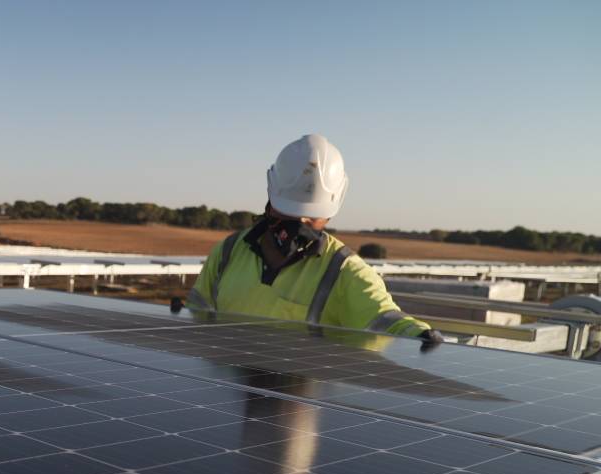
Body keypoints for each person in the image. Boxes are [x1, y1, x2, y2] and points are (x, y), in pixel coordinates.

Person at [187, 134, 444, 344]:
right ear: (271, 198)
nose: (299, 224)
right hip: (227, 392)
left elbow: (384, 318)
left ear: (329, 215)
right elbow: (197, 310)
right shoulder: (229, 251)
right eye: (289, 211)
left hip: (298, 399)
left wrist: (418, 335)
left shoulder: (345, 271)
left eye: (312, 217)